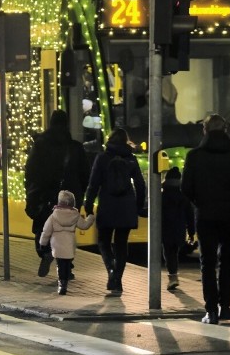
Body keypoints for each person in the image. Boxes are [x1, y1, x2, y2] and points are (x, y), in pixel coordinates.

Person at [181, 114, 230, 324]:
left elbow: (186, 188)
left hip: (205, 213)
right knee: (227, 259)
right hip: (229, 212)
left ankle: (211, 310)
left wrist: (200, 200)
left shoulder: (195, 156)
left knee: (207, 262)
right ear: (225, 130)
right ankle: (226, 306)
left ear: (205, 131)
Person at [24, 110, 90, 278]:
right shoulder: (75, 147)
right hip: (69, 196)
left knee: (43, 227)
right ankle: (65, 268)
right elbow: (85, 174)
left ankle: (45, 252)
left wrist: (31, 190)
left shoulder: (40, 145)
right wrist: (79, 194)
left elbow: (30, 170)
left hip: (45, 194)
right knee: (66, 232)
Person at [84, 127, 146, 296]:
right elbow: (140, 185)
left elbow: (93, 184)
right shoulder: (131, 159)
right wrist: (138, 206)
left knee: (103, 241)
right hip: (127, 207)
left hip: (107, 206)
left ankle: (111, 269)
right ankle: (117, 279)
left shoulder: (102, 158)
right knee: (121, 244)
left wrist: (88, 205)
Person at [38, 190, 95, 295]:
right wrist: (91, 218)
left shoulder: (53, 216)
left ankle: (61, 284)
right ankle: (65, 283)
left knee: (59, 265)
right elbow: (84, 226)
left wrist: (42, 243)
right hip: (69, 244)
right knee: (67, 264)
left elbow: (46, 231)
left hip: (57, 245)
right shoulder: (75, 215)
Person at [161, 167, 193, 292]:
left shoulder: (162, 196)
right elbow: (190, 216)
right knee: (174, 252)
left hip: (165, 229)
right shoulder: (184, 196)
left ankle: (173, 277)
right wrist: (191, 232)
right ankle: (173, 276)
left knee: (169, 253)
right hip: (179, 229)